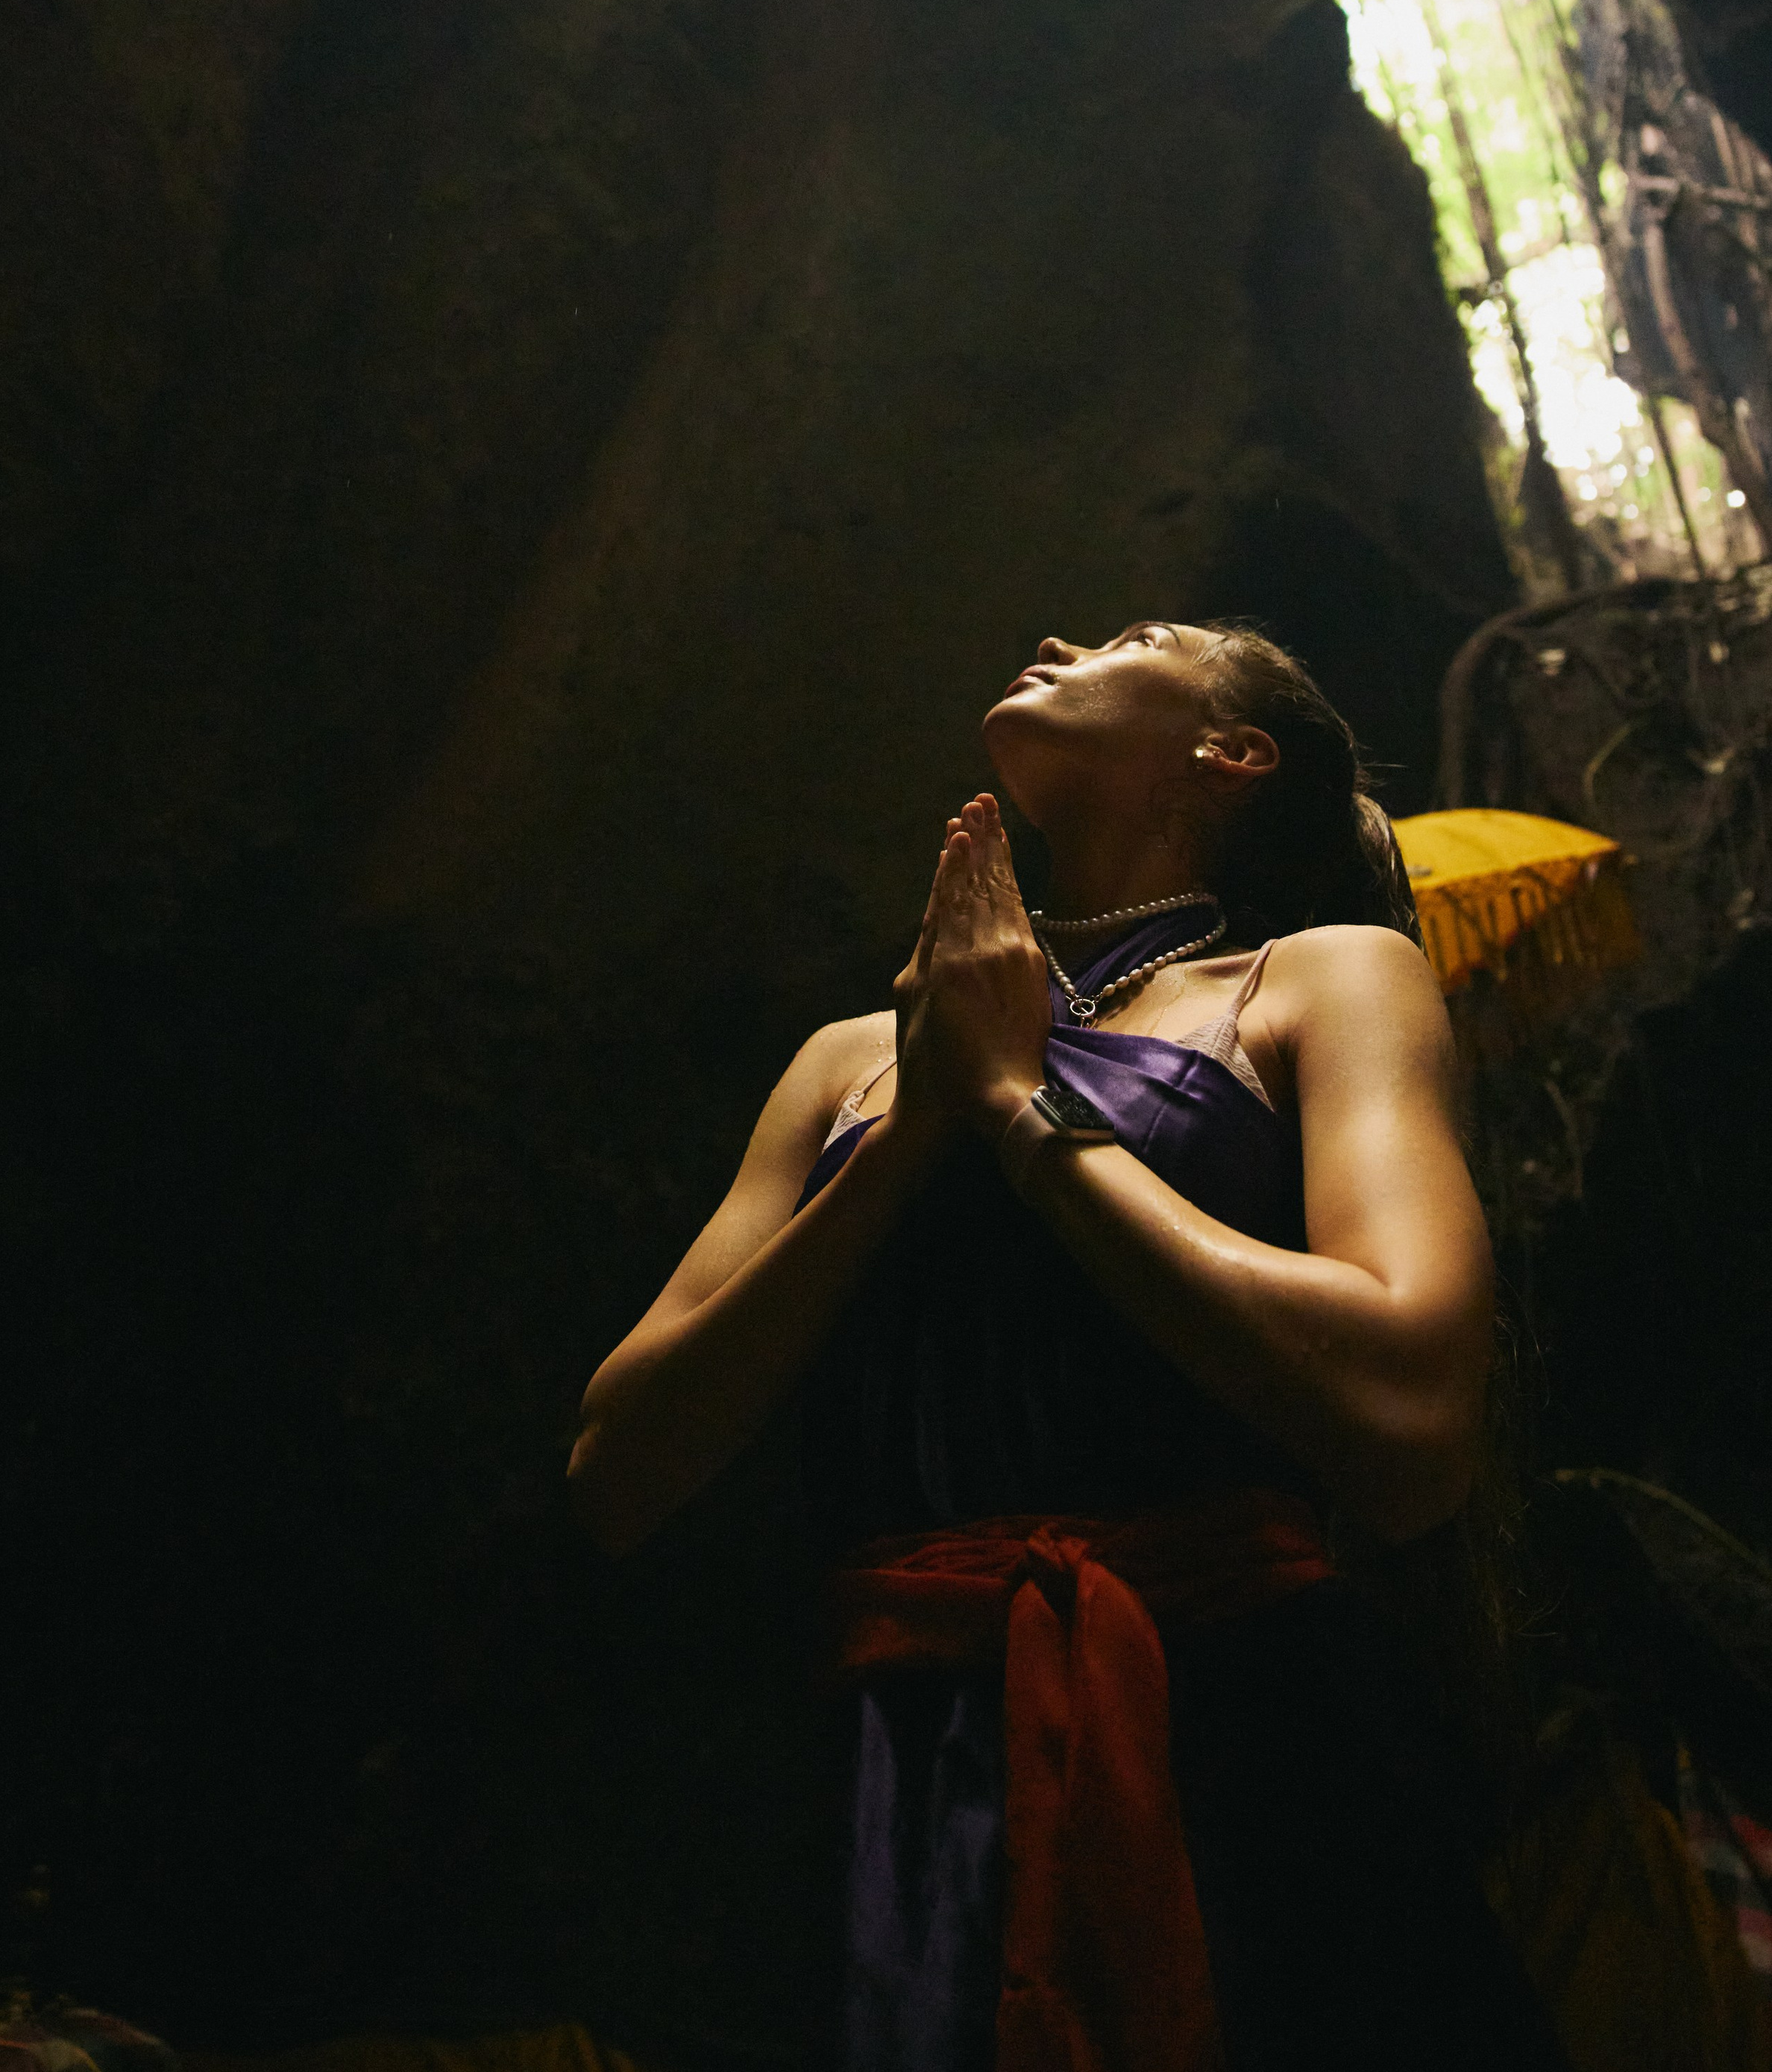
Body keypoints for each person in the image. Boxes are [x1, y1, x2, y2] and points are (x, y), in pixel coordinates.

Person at [568, 619, 1565, 2072]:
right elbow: (615, 1465)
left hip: (1244, 1735)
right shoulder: (858, 1056)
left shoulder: (1318, 977)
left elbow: (1412, 1410)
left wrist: (1023, 1113)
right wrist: (917, 1119)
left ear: (1229, 755)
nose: (1055, 637)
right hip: (895, 1765)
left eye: (1137, 636)